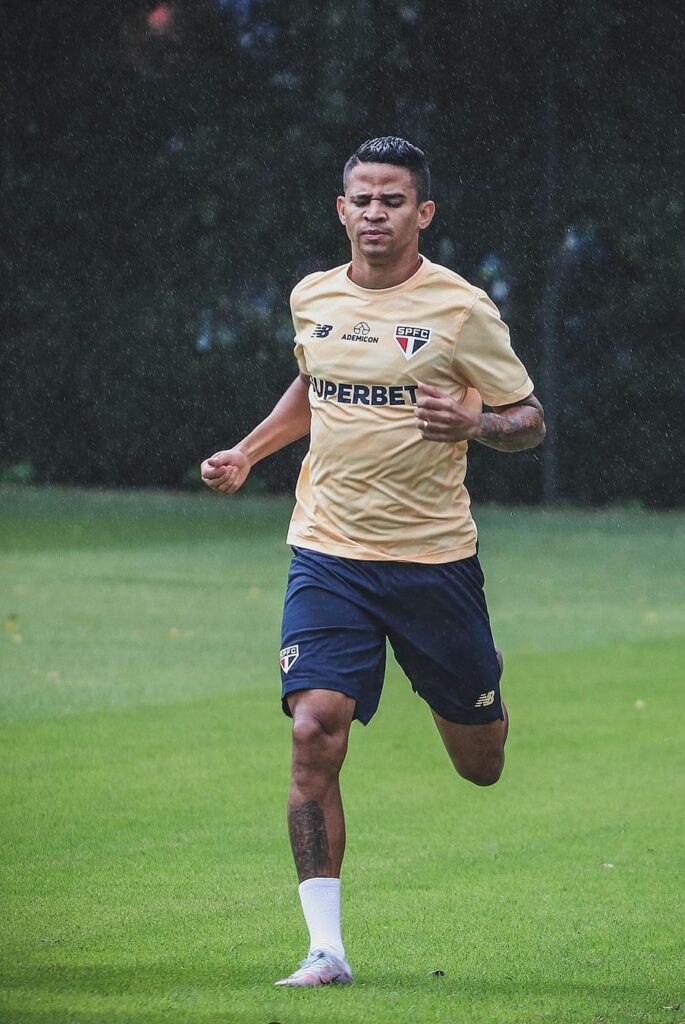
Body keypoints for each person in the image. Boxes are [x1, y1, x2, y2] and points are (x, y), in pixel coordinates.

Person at [201, 136, 545, 987]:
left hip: (433, 562)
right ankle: (325, 949)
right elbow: (313, 386)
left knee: (481, 765)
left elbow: (528, 419)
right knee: (313, 729)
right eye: (362, 199)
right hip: (328, 552)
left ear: (422, 213)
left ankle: (476, 674)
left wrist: (475, 424)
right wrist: (248, 451)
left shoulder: (461, 309)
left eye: (392, 200)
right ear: (341, 209)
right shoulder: (313, 295)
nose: (375, 214)